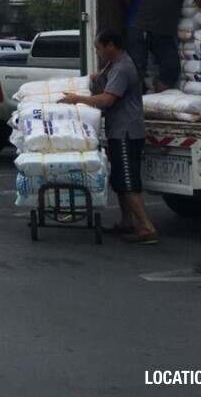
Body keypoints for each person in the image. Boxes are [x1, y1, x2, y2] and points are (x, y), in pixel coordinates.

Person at [61, 29, 158, 244]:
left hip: (126, 131)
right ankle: (126, 222)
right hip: (117, 130)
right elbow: (102, 84)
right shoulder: (112, 65)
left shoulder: (123, 67)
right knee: (119, 180)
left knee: (127, 181)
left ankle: (146, 227)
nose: (96, 51)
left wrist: (77, 99)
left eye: (98, 47)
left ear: (110, 46)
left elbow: (107, 99)